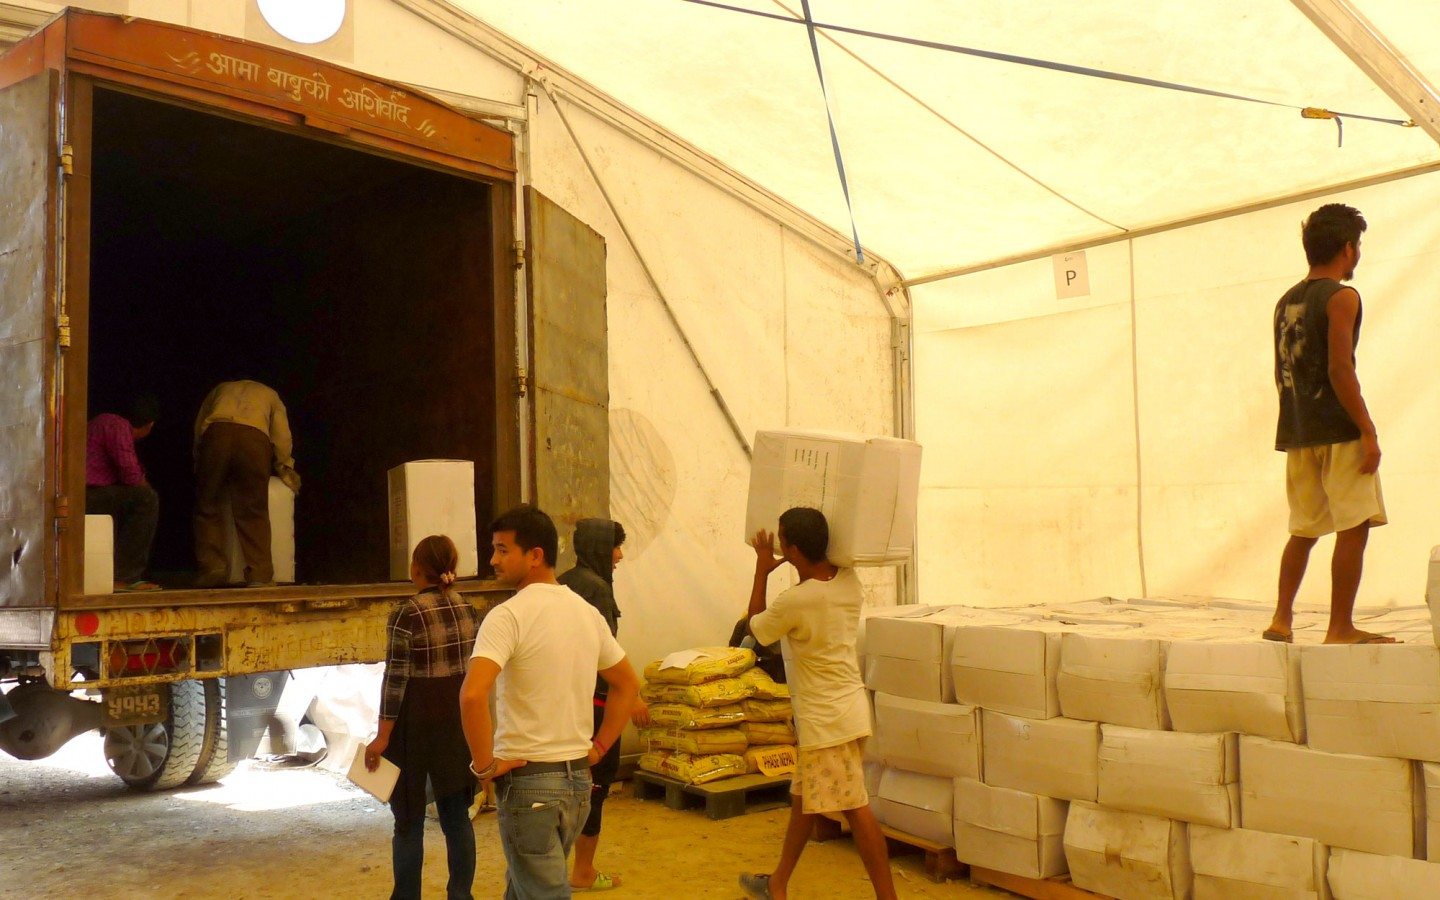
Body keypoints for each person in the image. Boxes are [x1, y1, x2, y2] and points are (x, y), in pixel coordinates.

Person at [459, 505, 641, 900]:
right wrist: (601, 746)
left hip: (530, 785)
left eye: (504, 550)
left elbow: (473, 694)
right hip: (577, 785)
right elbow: (627, 683)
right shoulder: (586, 612)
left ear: (535, 555)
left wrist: (484, 765)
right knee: (525, 886)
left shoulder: (507, 616)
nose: (493, 560)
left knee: (541, 891)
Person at [739, 507, 896, 900]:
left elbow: (755, 627)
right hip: (847, 713)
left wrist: (762, 569)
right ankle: (777, 885)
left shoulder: (797, 600)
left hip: (827, 724)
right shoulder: (848, 582)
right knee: (802, 801)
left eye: (782, 541)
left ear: (790, 549)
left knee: (855, 809)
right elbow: (830, 562)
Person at [1265, 203, 1395, 645]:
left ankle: (1281, 618)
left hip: (1299, 430)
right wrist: (1368, 430)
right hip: (1339, 428)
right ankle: (1340, 626)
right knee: (1354, 525)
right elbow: (1341, 369)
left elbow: (1284, 371)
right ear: (1347, 248)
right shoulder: (1342, 297)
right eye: (1357, 246)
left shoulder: (1286, 302)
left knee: (1303, 529)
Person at [365, 534, 481, 900]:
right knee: (456, 817)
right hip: (456, 723)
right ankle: (461, 895)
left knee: (408, 821)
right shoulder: (469, 611)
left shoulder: (406, 614)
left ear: (416, 569)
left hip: (415, 726)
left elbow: (395, 680)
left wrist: (382, 736)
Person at [558, 519, 649, 892]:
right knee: (595, 785)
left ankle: (552, 868)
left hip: (565, 704)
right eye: (615, 547)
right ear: (600, 548)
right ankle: (583, 870)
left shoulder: (563, 583)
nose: (620, 555)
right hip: (596, 707)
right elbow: (605, 657)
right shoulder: (598, 592)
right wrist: (633, 696)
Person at [192, 379, 298, 588]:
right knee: (253, 509)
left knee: (207, 506)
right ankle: (259, 574)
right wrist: (285, 465)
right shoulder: (270, 393)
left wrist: (200, 460)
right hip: (254, 439)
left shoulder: (219, 389)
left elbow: (199, 428)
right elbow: (282, 435)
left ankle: (213, 568)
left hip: (216, 435)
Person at [85, 397, 161, 592]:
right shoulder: (116, 424)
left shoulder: (102, 421)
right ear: (149, 425)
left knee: (125, 503)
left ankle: (111, 573)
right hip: (87, 493)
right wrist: (147, 487)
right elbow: (130, 473)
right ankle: (125, 576)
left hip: (91, 493)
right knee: (146, 499)